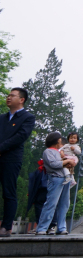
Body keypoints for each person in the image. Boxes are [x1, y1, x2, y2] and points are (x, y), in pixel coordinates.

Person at [0, 88, 36, 237]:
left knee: (8, 192)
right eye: (8, 95)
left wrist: (1, 148)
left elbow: (20, 137)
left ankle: (6, 227)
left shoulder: (28, 118)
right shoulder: (2, 117)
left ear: (21, 100)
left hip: (11, 159)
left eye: (12, 95)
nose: (8, 97)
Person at [34, 132, 77, 235]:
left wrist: (70, 162)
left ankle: (61, 227)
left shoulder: (60, 152)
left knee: (64, 204)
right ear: (57, 140)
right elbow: (54, 164)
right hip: (55, 178)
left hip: (65, 178)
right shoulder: (48, 151)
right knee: (51, 203)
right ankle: (42, 228)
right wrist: (67, 161)